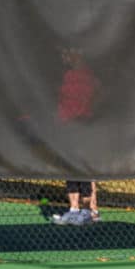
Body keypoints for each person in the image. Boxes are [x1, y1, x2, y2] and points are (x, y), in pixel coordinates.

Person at [51, 47, 101, 226]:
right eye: (63, 53)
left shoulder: (89, 77)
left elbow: (97, 98)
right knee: (70, 168)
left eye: (67, 53)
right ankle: (74, 210)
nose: (64, 57)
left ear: (77, 55)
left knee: (84, 169)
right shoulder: (66, 75)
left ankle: (90, 212)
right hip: (67, 128)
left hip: (83, 127)